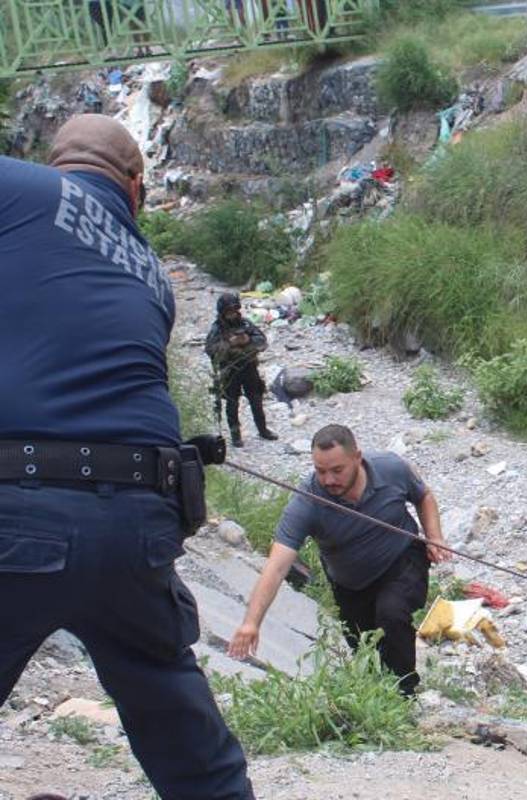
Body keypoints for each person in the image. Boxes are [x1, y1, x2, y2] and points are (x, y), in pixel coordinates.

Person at [0, 114, 254, 798]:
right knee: (187, 743)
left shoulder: (19, 191)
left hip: (20, 513)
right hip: (138, 527)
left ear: (57, 166)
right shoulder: (149, 270)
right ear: (135, 189)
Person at [228, 424, 451, 694]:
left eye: (337, 470)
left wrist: (434, 536)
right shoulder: (307, 501)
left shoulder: (391, 468)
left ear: (357, 458)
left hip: (402, 559)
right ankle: (377, 699)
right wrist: (251, 623)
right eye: (320, 471)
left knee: (391, 615)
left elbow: (423, 495)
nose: (328, 480)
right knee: (365, 647)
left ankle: (405, 694)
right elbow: (276, 567)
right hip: (351, 583)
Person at [205, 292, 278, 448]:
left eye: (234, 310)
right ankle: (235, 435)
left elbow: (262, 341)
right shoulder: (217, 328)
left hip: (249, 368)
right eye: (228, 311)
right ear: (223, 312)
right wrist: (230, 344)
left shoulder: (245, 324)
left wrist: (247, 340)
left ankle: (263, 429)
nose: (232, 314)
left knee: (256, 400)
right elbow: (211, 349)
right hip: (230, 372)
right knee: (232, 404)